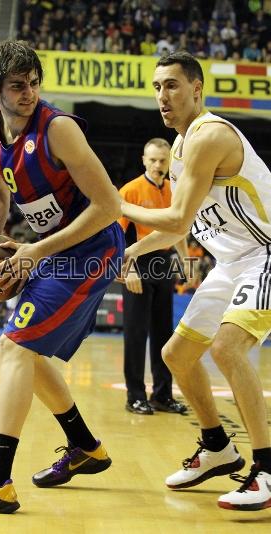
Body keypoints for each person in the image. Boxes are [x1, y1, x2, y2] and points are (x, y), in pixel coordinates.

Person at [0, 40, 124, 514]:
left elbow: (110, 206)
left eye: (34, 83)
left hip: (91, 248)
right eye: (17, 85)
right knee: (28, 354)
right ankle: (85, 447)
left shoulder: (58, 130)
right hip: (51, 249)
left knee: (14, 347)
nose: (29, 92)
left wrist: (37, 251)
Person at [121, 51, 271, 511]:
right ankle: (217, 447)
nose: (162, 96)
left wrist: (114, 203)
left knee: (227, 349)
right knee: (176, 355)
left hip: (266, 254)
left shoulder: (209, 136)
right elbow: (178, 228)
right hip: (232, 262)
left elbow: (178, 214)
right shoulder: (182, 148)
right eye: (157, 87)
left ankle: (267, 469)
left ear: (196, 89)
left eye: (172, 85)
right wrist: (131, 251)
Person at [119, 138, 188, 415]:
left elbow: (179, 228)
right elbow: (117, 236)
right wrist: (129, 268)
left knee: (163, 333)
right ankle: (135, 395)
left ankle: (162, 395)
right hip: (136, 261)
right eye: (154, 160)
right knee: (136, 333)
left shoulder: (175, 190)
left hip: (164, 262)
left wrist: (186, 262)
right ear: (144, 160)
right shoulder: (130, 190)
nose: (158, 165)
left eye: (163, 160)